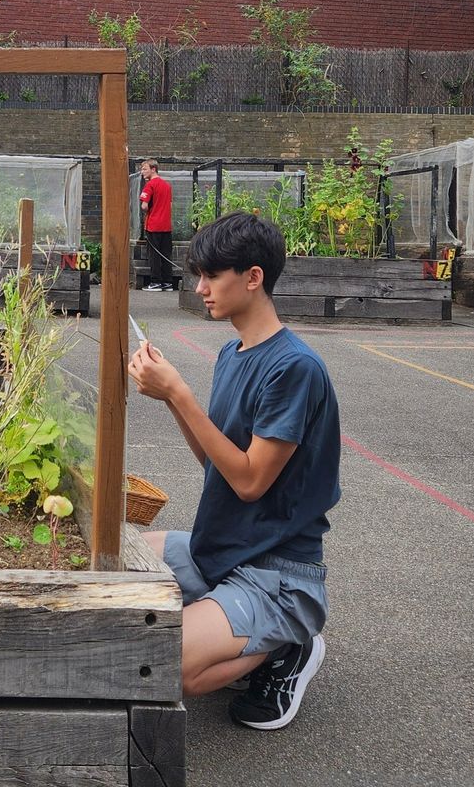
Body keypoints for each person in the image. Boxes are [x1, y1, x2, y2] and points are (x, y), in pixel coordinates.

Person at [127, 211, 340, 731]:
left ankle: (290, 645)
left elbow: (248, 482)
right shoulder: (232, 352)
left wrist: (179, 392)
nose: (200, 288)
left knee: (161, 666)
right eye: (198, 275)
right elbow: (216, 466)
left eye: (211, 276)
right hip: (221, 545)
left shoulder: (294, 367)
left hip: (277, 571)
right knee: (116, 563)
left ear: (252, 277)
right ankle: (232, 620)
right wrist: (172, 400)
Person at [139, 158, 175, 290]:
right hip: (166, 225)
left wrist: (148, 209)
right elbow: (170, 205)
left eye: (144, 169)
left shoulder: (149, 185)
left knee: (154, 254)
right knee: (166, 254)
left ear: (153, 169)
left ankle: (155, 282)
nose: (142, 172)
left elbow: (144, 206)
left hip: (153, 225)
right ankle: (168, 282)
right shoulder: (167, 185)